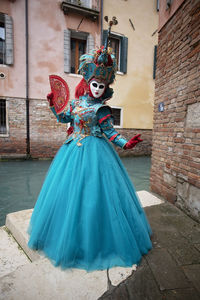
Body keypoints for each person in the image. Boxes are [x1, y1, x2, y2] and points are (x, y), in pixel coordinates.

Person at [28, 43, 152, 271]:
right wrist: (53, 105)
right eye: (94, 84)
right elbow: (65, 119)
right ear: (87, 83)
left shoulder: (103, 110)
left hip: (97, 154)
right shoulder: (75, 103)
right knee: (67, 194)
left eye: (101, 86)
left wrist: (126, 144)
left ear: (106, 88)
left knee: (97, 195)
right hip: (71, 151)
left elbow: (111, 133)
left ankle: (99, 242)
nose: (97, 89)